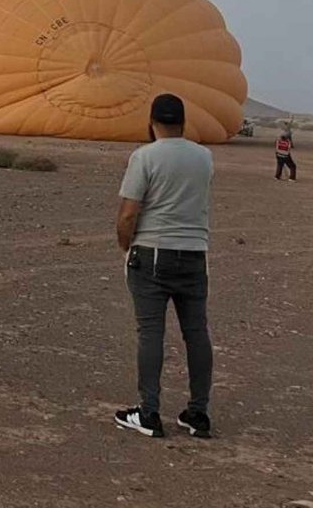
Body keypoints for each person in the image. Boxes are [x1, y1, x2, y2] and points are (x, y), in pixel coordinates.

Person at [113, 93, 214, 440]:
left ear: (152, 122)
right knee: (196, 333)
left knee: (151, 332)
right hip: (195, 254)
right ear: (183, 122)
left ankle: (149, 412)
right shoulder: (204, 157)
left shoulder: (144, 157)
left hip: (153, 253)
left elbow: (128, 212)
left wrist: (127, 246)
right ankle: (198, 413)